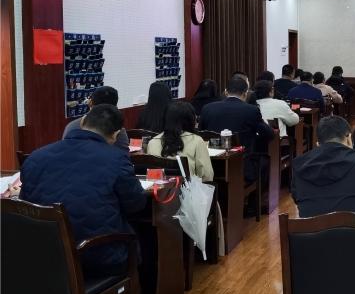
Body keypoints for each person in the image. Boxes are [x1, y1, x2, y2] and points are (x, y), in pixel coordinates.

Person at [21, 104, 147, 277]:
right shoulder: (117, 159)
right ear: (116, 135)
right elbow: (136, 204)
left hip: (42, 255)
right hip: (98, 258)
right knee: (141, 236)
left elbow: (25, 205)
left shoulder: (36, 157)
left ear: (82, 123)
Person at [199, 77, 274, 186]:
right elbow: (269, 134)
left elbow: (201, 134)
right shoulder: (251, 110)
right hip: (242, 167)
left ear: (226, 92)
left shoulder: (207, 108)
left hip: (212, 165)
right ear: (245, 93)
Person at [146, 101, 213, 182]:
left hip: (159, 188)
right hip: (187, 189)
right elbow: (207, 175)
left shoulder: (152, 142)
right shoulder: (197, 141)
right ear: (190, 120)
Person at [63, 85, 129, 151]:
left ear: (90, 103)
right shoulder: (117, 131)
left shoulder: (71, 126)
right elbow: (123, 155)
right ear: (115, 106)